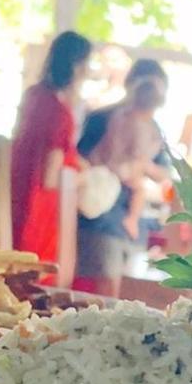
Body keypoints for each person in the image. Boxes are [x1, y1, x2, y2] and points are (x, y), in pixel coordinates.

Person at [76, 71, 171, 296]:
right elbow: (84, 157)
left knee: (130, 281)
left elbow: (162, 172)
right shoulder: (105, 118)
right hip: (102, 210)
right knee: (106, 281)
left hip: (129, 203)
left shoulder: (152, 129)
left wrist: (144, 167)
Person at [10, 31, 92, 286]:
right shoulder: (60, 113)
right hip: (40, 215)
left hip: (16, 200)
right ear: (77, 66)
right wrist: (84, 179)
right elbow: (50, 177)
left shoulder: (33, 96)